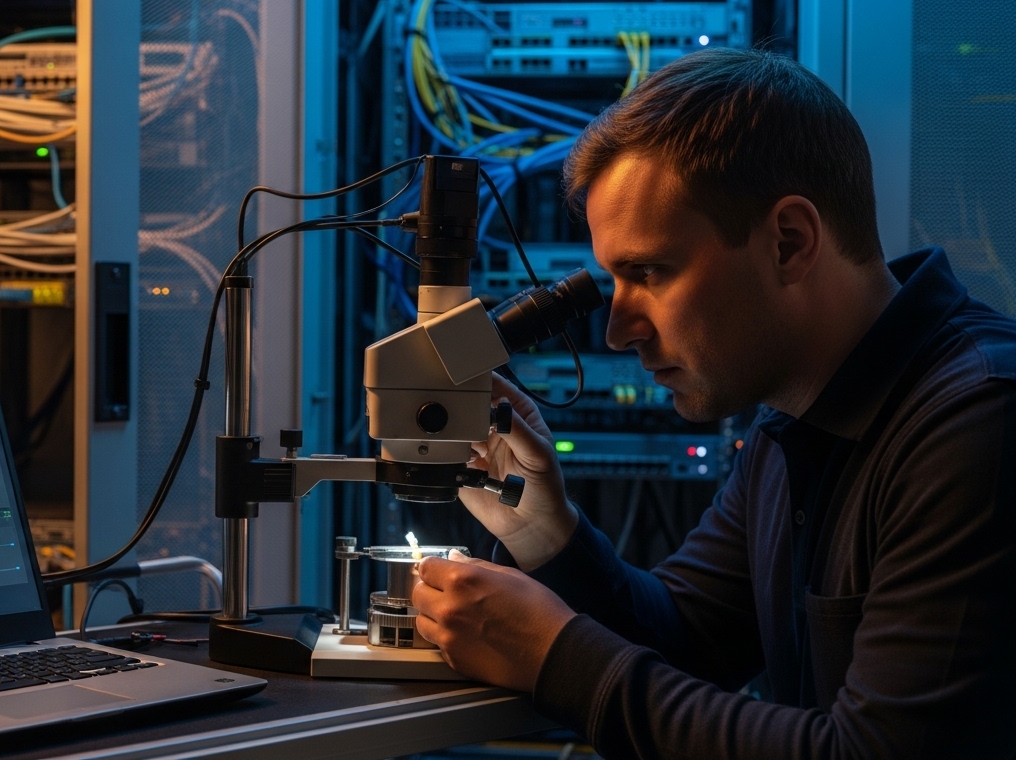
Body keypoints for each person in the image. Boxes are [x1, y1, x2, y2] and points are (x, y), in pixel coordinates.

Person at [412, 47, 1016, 758]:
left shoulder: (977, 421)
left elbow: (875, 753)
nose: (616, 330)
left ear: (789, 242)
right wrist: (547, 532)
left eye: (650, 272)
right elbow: (688, 636)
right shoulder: (792, 416)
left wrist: (553, 655)